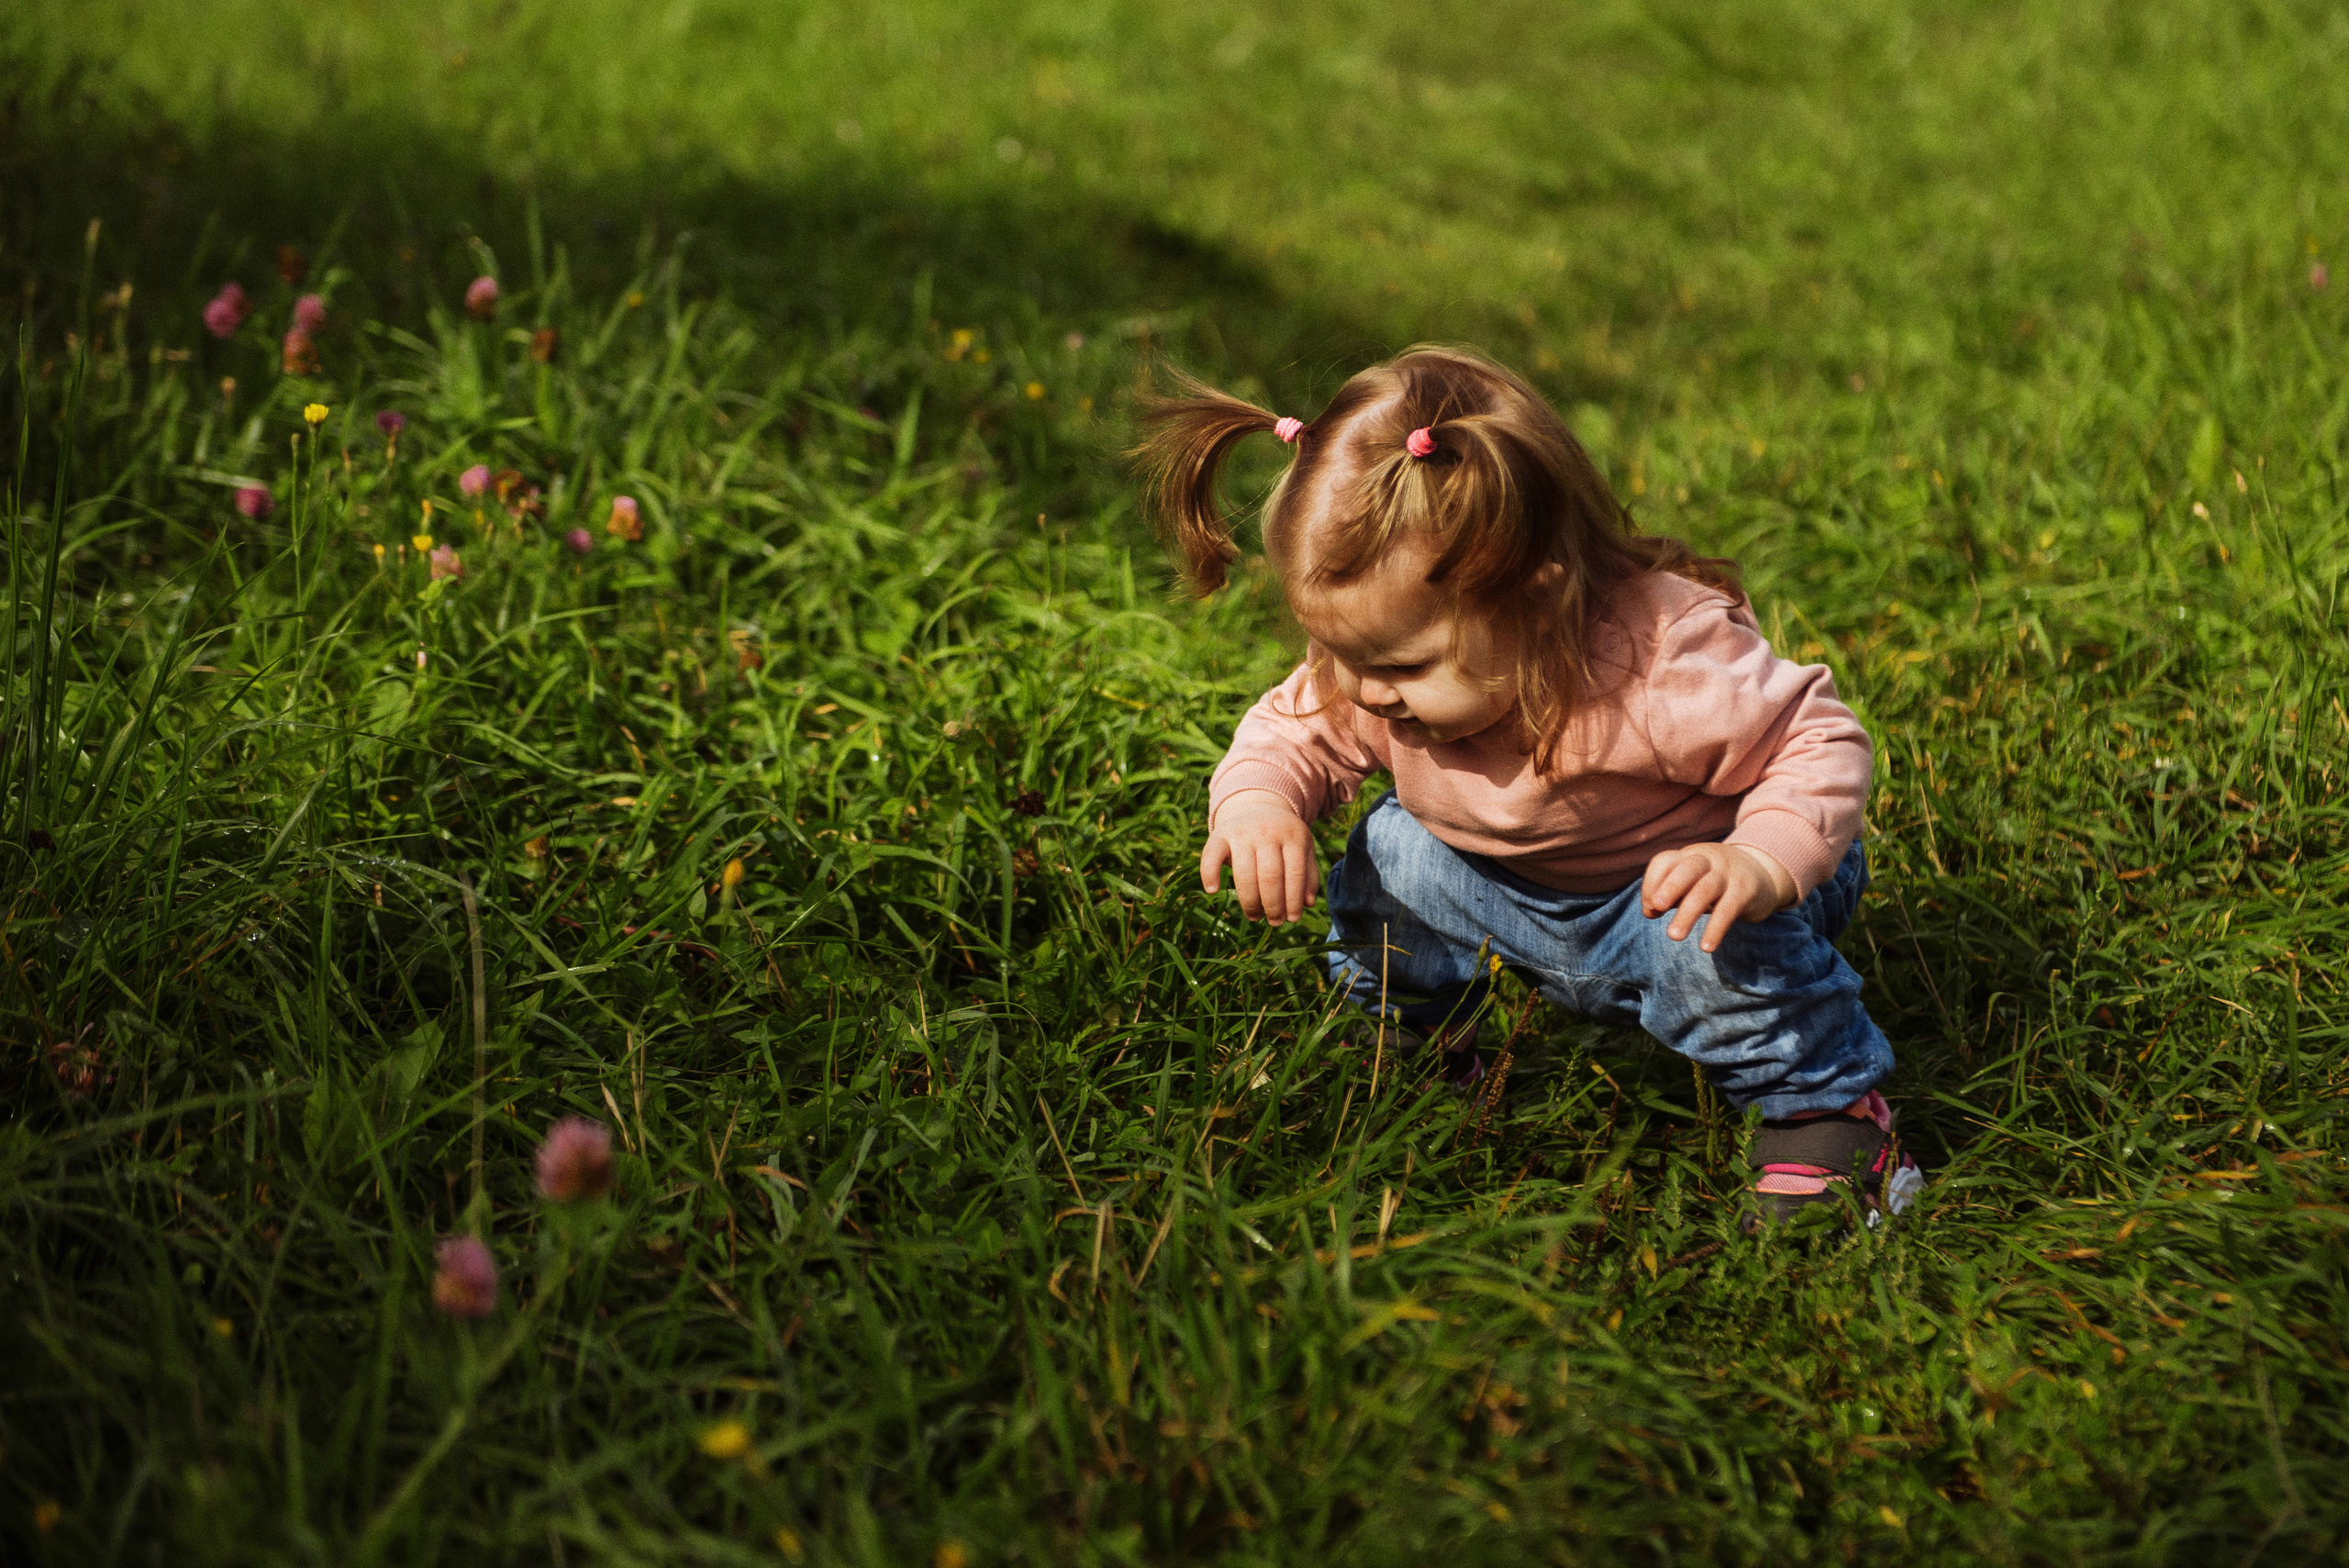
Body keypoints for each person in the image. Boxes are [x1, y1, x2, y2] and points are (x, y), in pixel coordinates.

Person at [1134, 345, 1922, 1228]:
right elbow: (1288, 730)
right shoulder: (1375, 677)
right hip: (1508, 892)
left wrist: (1760, 858)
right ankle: (1414, 1036)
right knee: (1397, 850)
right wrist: (1259, 802)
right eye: (1341, 655)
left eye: (1398, 662)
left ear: (1537, 601)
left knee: (1705, 946)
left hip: (1680, 889)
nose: (1363, 690)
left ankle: (1828, 1118)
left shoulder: (1658, 661)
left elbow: (1814, 737)